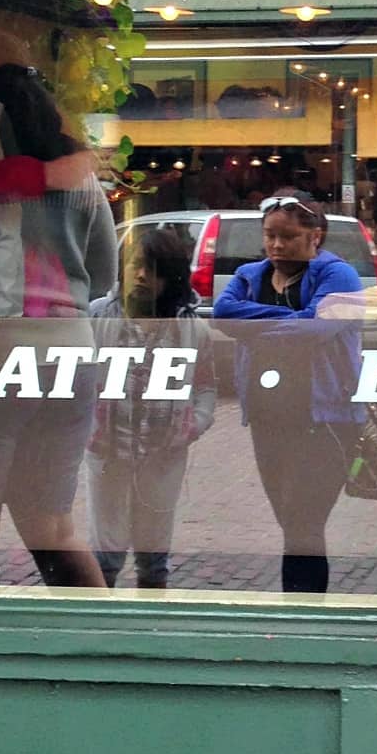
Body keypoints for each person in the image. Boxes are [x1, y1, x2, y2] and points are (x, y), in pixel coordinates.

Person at [0, 62, 117, 588]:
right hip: (69, 356)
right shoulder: (79, 180)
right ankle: (101, 653)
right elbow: (104, 271)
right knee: (55, 527)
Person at [211, 194, 363, 595]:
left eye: (288, 237)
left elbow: (316, 330)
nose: (276, 245)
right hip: (268, 417)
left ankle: (302, 611)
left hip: (326, 420)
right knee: (290, 522)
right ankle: (299, 609)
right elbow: (223, 315)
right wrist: (293, 318)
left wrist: (255, 324)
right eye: (270, 235)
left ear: (316, 236)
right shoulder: (249, 274)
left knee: (303, 523)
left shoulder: (339, 276)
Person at [86, 225, 216, 589]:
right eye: (136, 265)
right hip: (107, 451)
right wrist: (88, 427)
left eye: (155, 270)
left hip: (162, 454)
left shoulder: (190, 328)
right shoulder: (98, 317)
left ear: (170, 277)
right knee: (105, 554)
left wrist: (193, 425)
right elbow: (76, 376)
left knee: (154, 555)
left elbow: (205, 385)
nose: (142, 276)